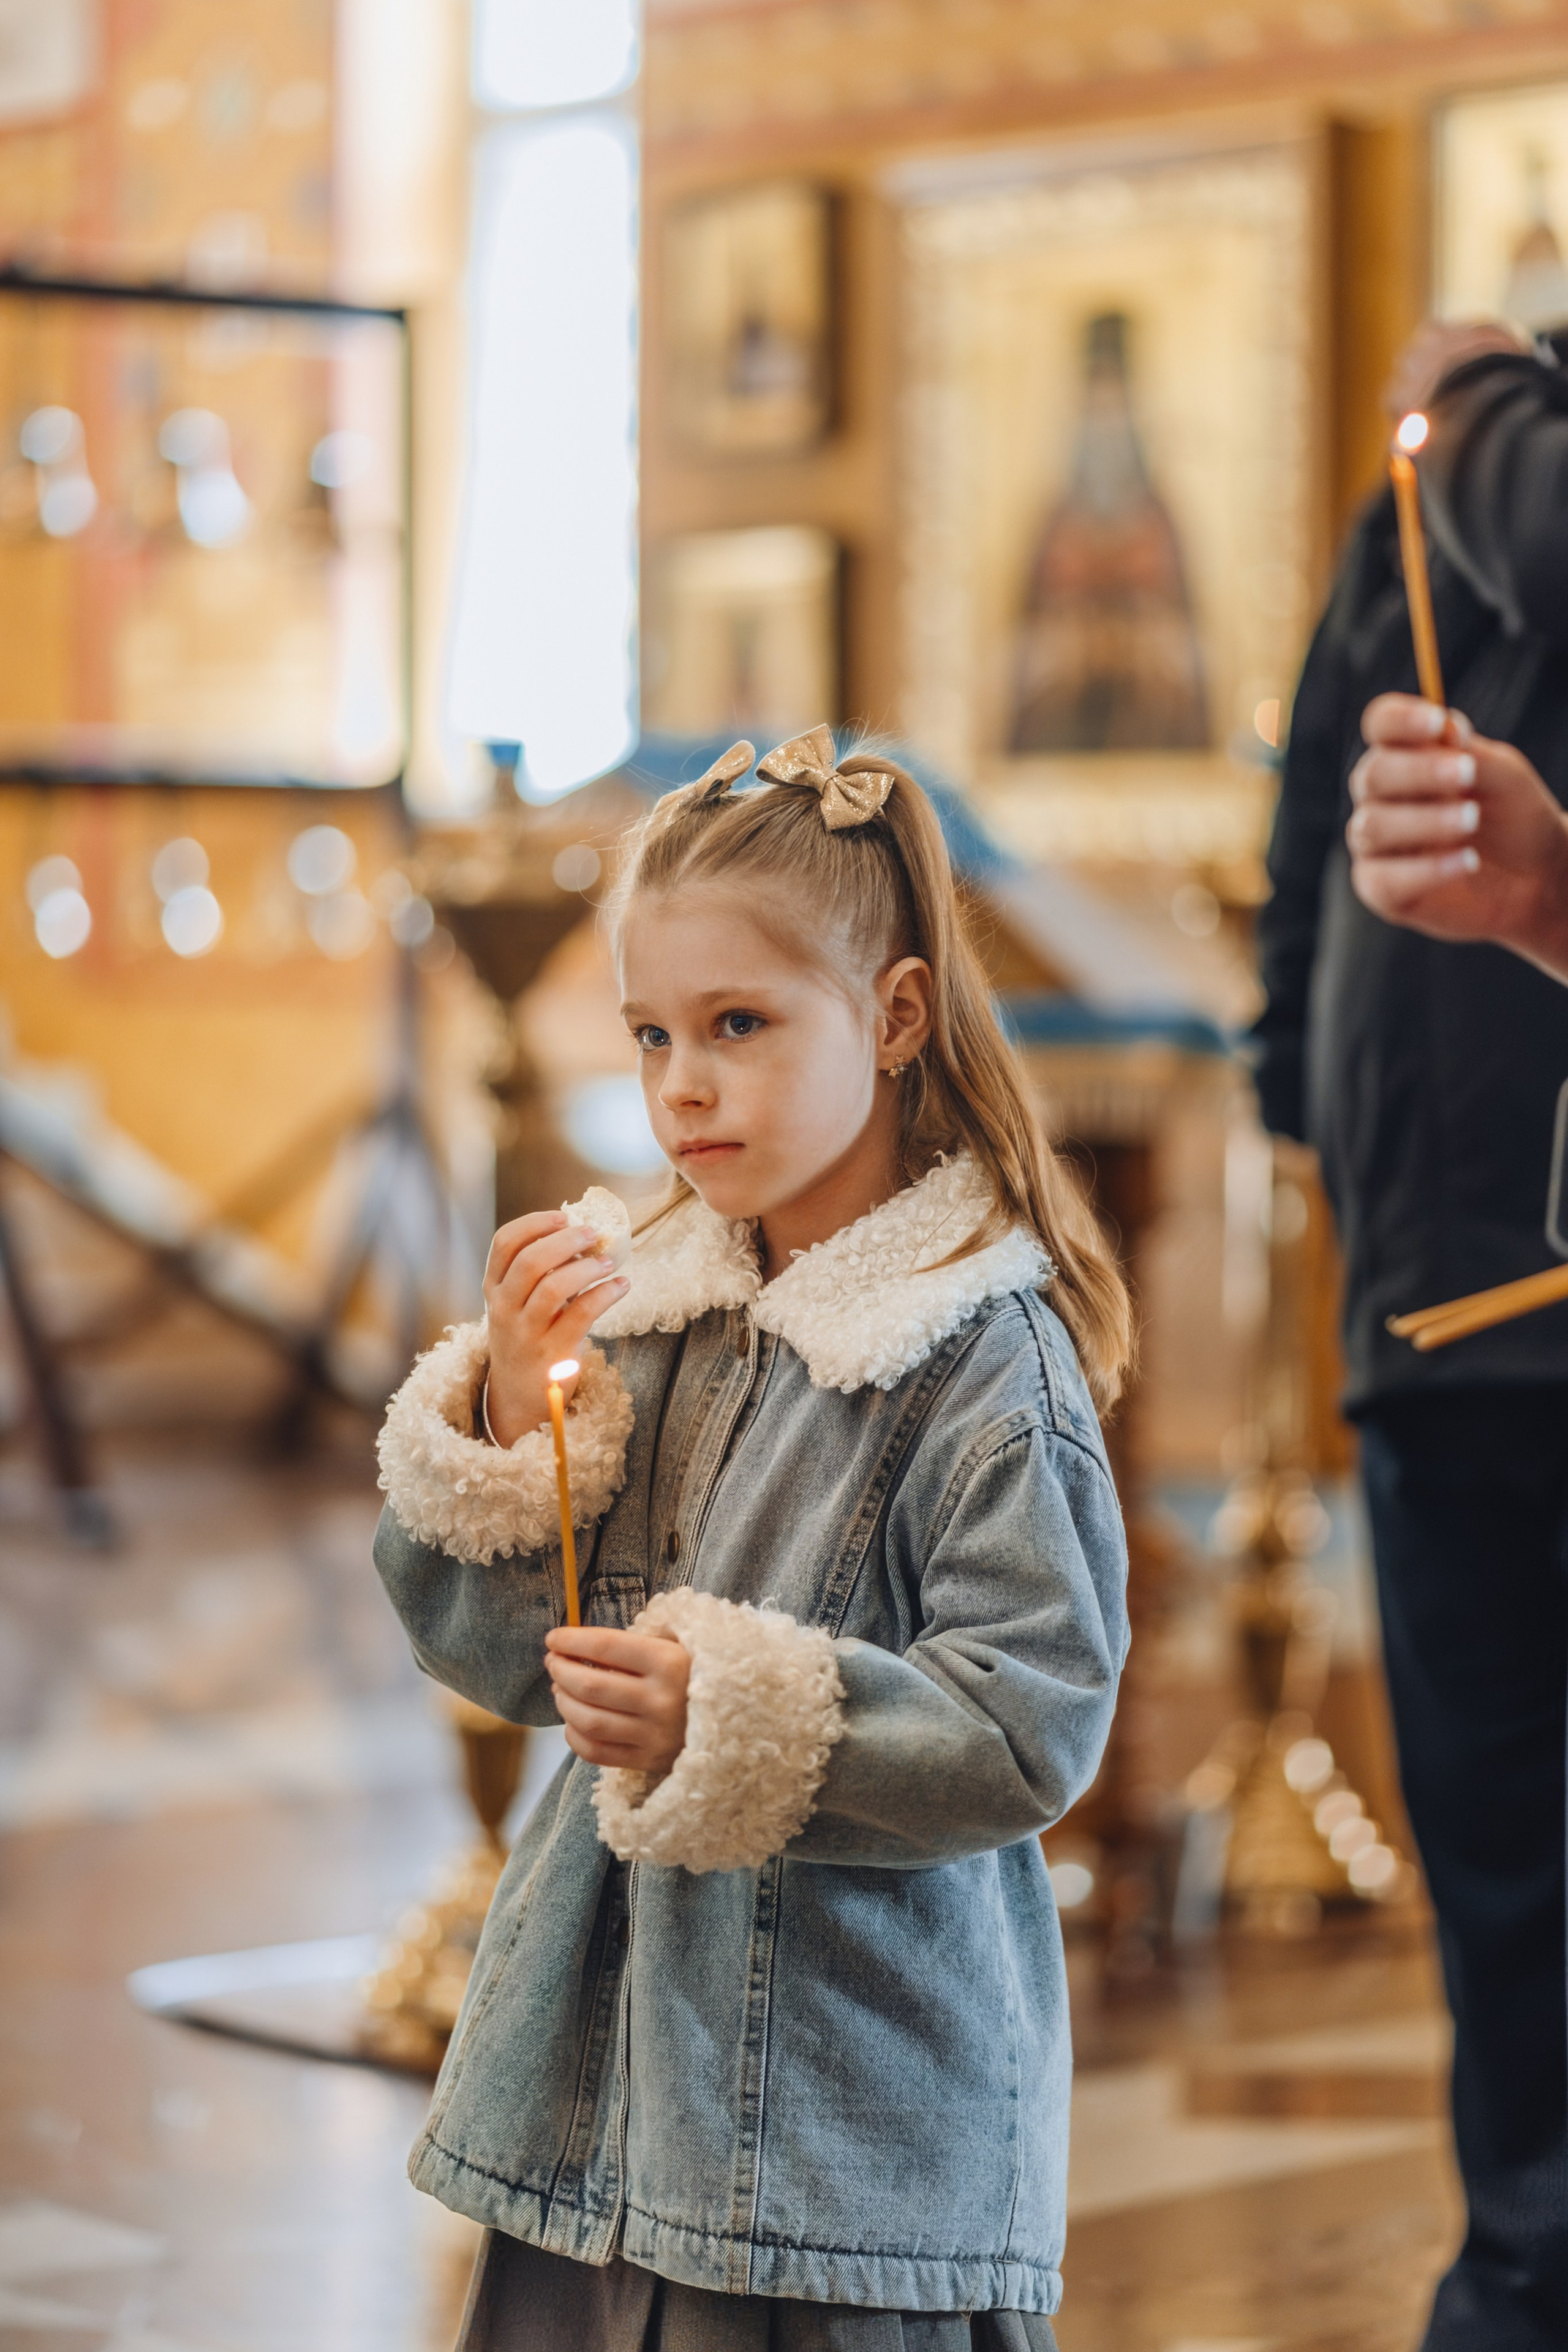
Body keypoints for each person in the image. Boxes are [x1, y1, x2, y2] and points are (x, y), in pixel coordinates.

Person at [372, 728, 1133, 2351]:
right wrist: (510, 1418)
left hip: (843, 2139)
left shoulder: (980, 1354)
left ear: (897, 1016)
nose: (682, 1086)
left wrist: (729, 1716)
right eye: (652, 1033)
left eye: (739, 1025)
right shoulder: (653, 1309)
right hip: (599, 2109)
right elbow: (502, 1660)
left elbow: (1031, 1722)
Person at [1253, 323, 1568, 2350]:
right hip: (1446, 1286)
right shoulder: (1432, 482)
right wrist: (1310, 1099)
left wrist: (1485, 395)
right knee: (1501, 1857)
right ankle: (1524, 2272)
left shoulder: (1488, 438)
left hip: (1494, 1267)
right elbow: (1321, 808)